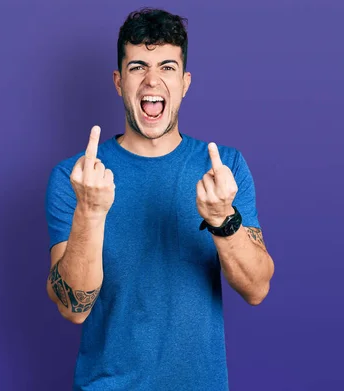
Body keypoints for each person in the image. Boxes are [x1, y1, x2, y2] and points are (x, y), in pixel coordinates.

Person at [45, 7, 275, 391]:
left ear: (185, 83)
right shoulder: (76, 177)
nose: (152, 80)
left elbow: (257, 288)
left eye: (167, 67)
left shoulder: (224, 169)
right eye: (137, 67)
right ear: (119, 82)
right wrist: (89, 211)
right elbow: (73, 309)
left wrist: (223, 218)